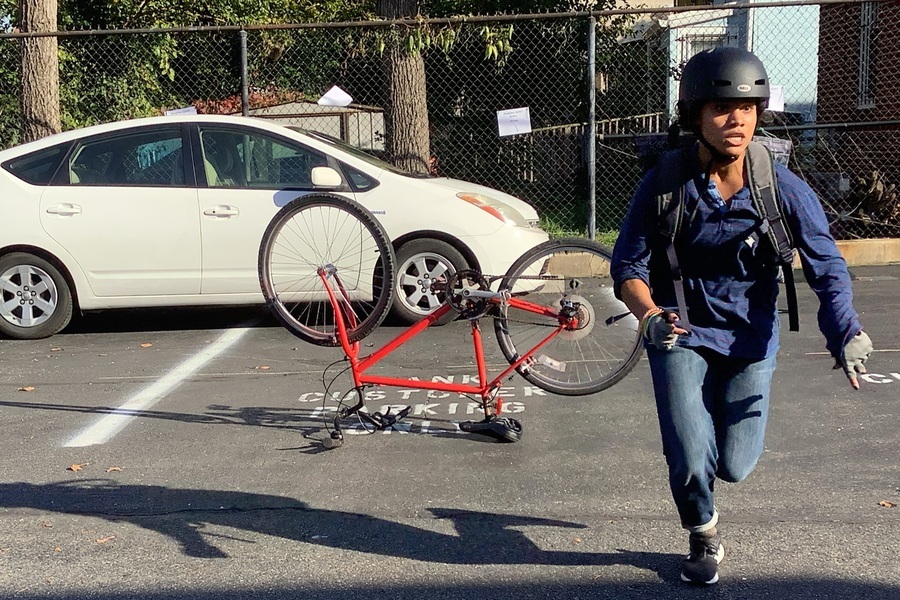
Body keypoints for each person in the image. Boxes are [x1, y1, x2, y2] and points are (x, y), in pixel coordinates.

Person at [610, 46, 873, 585]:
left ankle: (708, 446)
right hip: (678, 330)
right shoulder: (665, 182)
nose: (737, 120)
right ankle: (703, 530)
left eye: (748, 109)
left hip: (751, 339)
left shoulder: (780, 187)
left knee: (734, 464)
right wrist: (650, 315)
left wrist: (845, 331)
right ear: (696, 116)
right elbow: (627, 267)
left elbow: (826, 265)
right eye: (722, 109)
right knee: (689, 453)